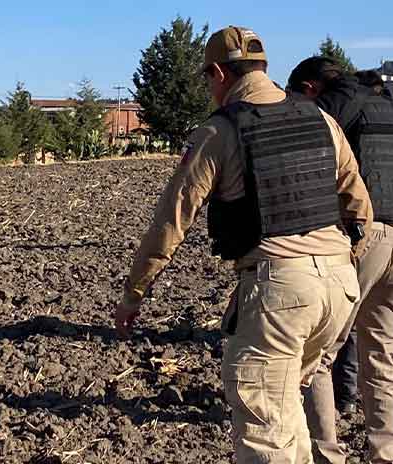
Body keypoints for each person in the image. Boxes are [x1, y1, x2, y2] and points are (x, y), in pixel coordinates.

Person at [115, 26, 372, 463]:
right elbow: (358, 204)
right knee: (286, 407)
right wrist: (343, 262)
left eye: (207, 79)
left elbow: (172, 220)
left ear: (218, 73)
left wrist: (134, 292)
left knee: (263, 430)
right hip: (339, 287)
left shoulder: (220, 131)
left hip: (280, 291)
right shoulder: (321, 118)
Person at [289, 58, 393, 463]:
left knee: (319, 352)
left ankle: (325, 453)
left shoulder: (330, 110)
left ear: (311, 87)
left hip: (364, 236)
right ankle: (384, 452)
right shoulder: (386, 104)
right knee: (381, 351)